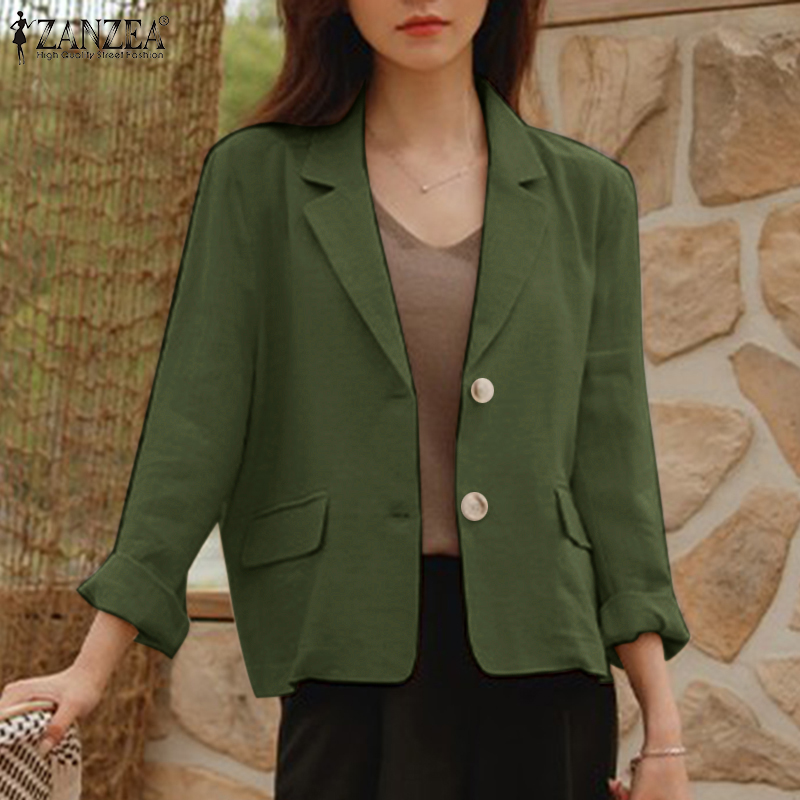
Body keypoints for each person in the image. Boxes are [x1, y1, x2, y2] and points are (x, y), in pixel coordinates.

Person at [0, 2, 693, 798]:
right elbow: (194, 429)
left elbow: (612, 462)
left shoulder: (588, 194)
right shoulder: (257, 180)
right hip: (349, 663)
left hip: (547, 672)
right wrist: (92, 666)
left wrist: (664, 729)